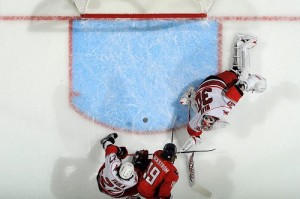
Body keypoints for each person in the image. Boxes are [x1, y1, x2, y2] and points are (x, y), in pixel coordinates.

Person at [180, 33, 267, 151]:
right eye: (210, 121)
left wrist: (249, 83)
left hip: (214, 82)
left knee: (241, 73)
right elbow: (191, 129)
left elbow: (236, 91)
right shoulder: (199, 118)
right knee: (199, 108)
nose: (208, 121)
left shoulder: (222, 110)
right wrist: (195, 138)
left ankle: (243, 45)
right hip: (202, 89)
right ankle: (190, 96)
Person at [96, 133, 140, 198]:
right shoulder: (132, 182)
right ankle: (133, 196)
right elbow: (138, 173)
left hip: (101, 181)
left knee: (115, 155)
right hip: (113, 193)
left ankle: (106, 141)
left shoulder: (112, 167)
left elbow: (110, 149)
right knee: (138, 188)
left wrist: (119, 150)